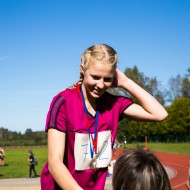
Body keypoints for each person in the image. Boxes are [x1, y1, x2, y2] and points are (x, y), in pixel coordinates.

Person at [40, 44, 168, 190]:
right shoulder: (63, 102)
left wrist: (126, 82)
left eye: (107, 79)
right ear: (82, 70)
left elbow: (159, 114)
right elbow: (54, 162)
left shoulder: (113, 104)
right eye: (95, 77)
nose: (100, 85)